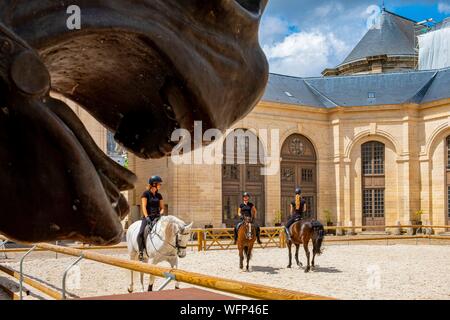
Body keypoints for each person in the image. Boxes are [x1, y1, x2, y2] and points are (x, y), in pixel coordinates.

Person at [137, 175, 164, 261]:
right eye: (159, 184)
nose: (160, 185)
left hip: (157, 217)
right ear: (154, 184)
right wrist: (147, 217)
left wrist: (160, 214)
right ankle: (141, 252)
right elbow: (144, 207)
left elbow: (162, 208)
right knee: (141, 233)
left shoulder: (159, 195)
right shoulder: (145, 194)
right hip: (148, 217)